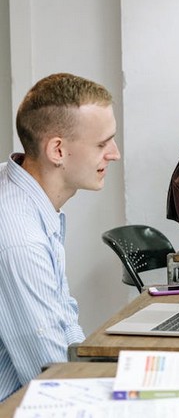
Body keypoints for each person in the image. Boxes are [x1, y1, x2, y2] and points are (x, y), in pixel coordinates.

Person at [0, 73, 121, 402]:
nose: (114, 153)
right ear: (57, 150)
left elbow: (63, 317)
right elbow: (51, 378)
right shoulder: (19, 238)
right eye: (102, 143)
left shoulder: (24, 194)